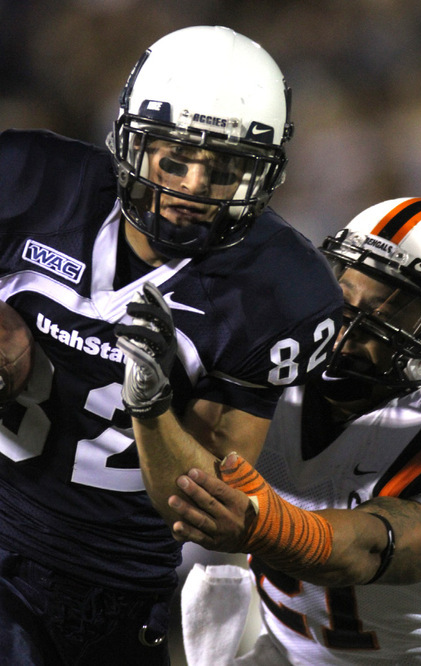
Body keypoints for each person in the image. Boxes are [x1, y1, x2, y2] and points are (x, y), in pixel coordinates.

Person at [0, 25, 343, 666]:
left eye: (226, 169)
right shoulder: (29, 176)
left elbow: (211, 504)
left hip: (113, 583)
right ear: (133, 140)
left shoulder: (283, 291)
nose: (191, 186)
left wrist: (152, 407)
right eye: (175, 157)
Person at [166, 197, 421, 665]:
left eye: (390, 312)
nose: (346, 327)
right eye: (344, 291)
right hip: (284, 652)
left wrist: (261, 526)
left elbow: (363, 551)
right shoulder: (275, 357)